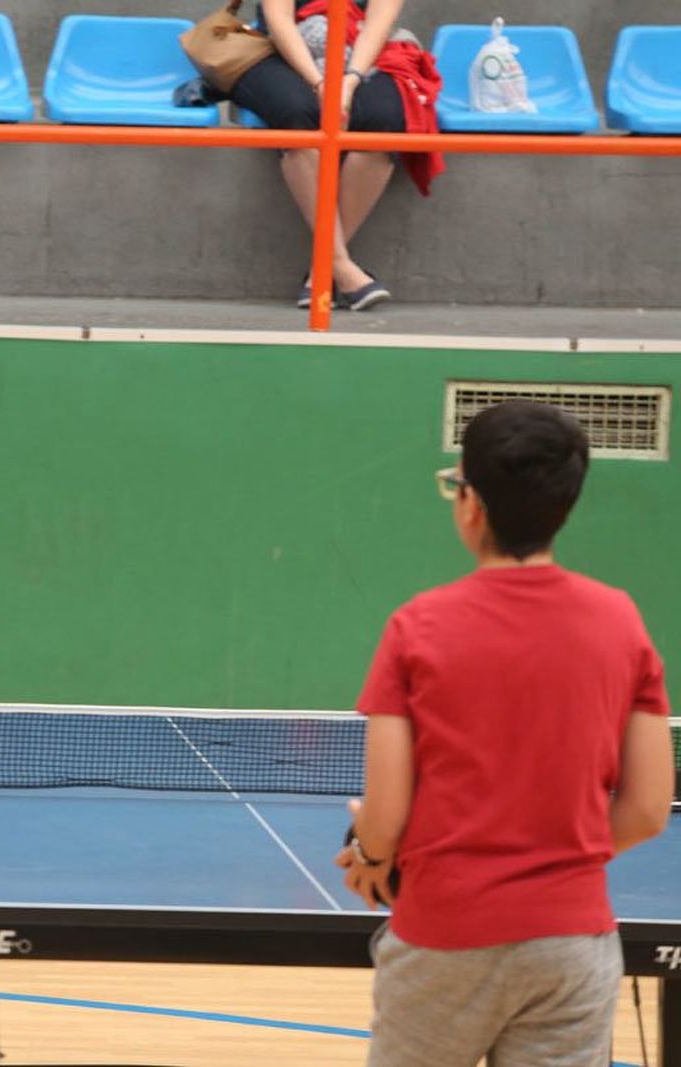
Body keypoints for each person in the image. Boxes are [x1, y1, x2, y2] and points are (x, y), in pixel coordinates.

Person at [336, 399, 674, 1065]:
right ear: (563, 505)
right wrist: (548, 860)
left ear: (471, 503)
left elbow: (387, 811)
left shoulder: (417, 626)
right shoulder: (620, 620)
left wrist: (374, 854)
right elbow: (645, 809)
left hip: (445, 935)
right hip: (573, 943)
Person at [230, 0, 443, 311]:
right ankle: (341, 266)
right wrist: (319, 82)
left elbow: (379, 22)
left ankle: (322, 271)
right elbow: (279, 21)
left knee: (386, 117)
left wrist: (350, 79)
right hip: (282, 51)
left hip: (361, 50)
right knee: (298, 112)